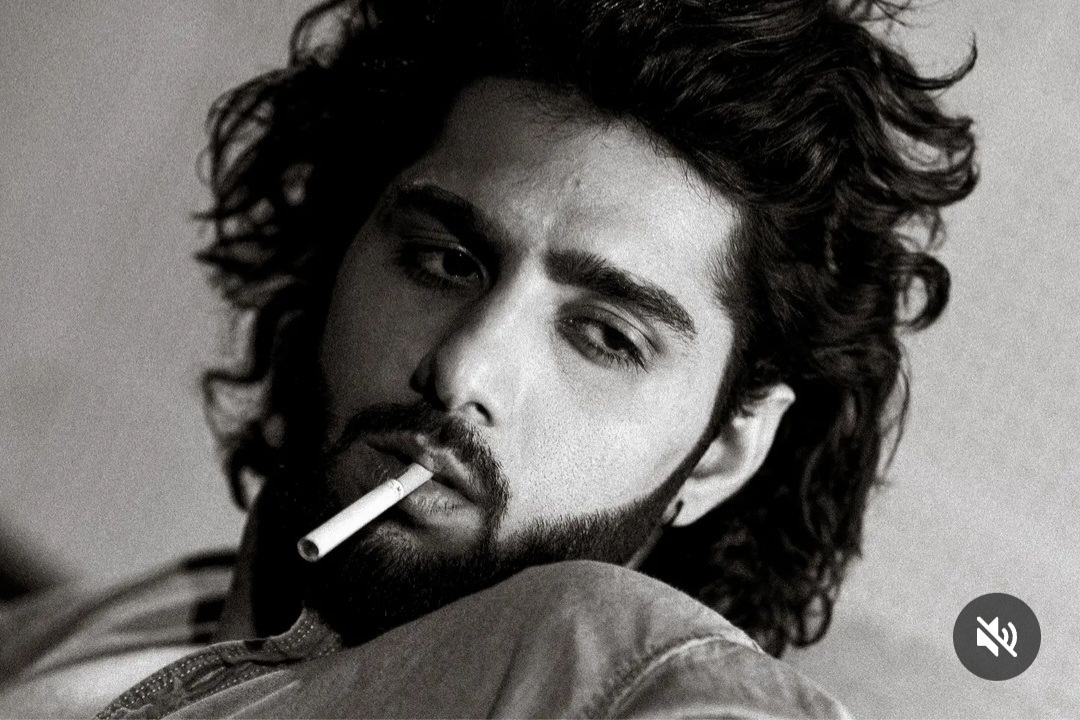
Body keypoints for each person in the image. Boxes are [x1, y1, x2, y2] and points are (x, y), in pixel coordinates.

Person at [0, 0, 977, 716]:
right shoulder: (121, 621)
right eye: (445, 261)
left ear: (723, 450)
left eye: (605, 336)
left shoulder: (605, 653)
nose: (465, 369)